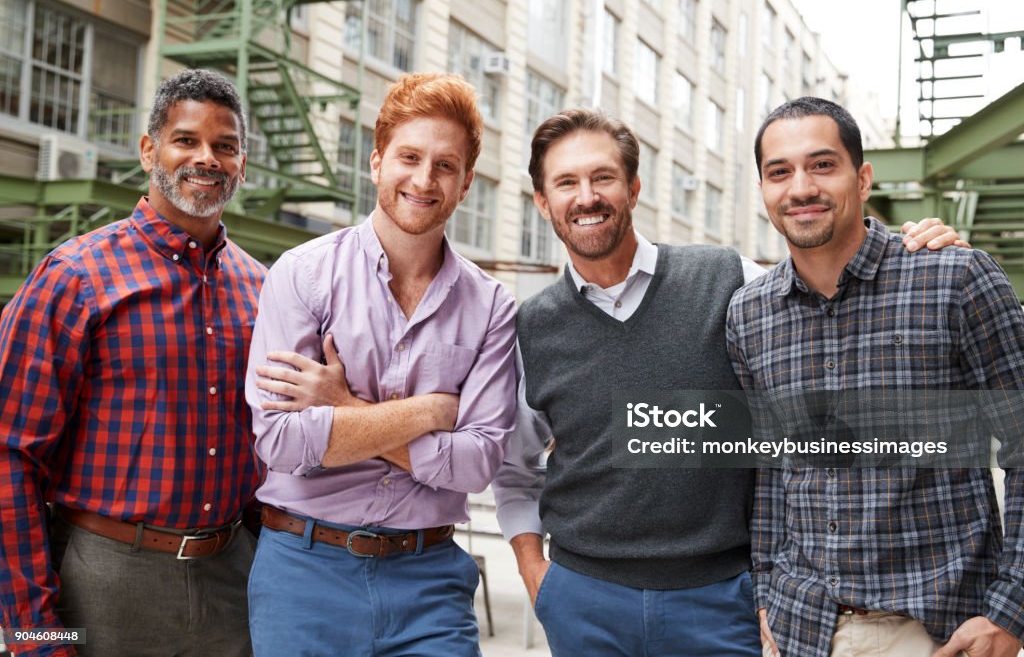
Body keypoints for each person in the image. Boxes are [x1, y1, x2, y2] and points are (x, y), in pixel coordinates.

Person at [491, 107, 964, 656]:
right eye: (566, 183)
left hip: (722, 599)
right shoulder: (531, 325)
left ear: (634, 188)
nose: (587, 196)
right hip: (583, 599)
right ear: (543, 202)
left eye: (603, 177)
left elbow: (826, 298)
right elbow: (514, 467)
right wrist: (536, 573)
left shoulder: (729, 279)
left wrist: (914, 254)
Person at [726, 96, 1024, 657]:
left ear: (862, 179)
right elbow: (770, 468)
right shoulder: (749, 314)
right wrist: (766, 589)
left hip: (937, 630)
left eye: (822, 165)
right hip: (803, 628)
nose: (801, 188)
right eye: (779, 172)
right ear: (764, 190)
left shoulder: (956, 278)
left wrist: (1011, 611)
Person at [244, 72, 517, 656]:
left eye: (445, 165)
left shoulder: (492, 306)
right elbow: (282, 441)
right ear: (376, 162)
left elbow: (476, 464)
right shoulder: (302, 274)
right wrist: (433, 411)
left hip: (430, 582)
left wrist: (344, 410)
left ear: (467, 182)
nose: (423, 179)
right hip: (303, 574)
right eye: (409, 157)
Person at [0, 69, 263, 656]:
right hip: (99, 581)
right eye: (187, 140)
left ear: (241, 163)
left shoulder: (261, 290)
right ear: (150, 149)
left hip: (232, 581)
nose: (207, 159)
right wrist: (33, 636)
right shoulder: (73, 277)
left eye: (225, 146)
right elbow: (9, 457)